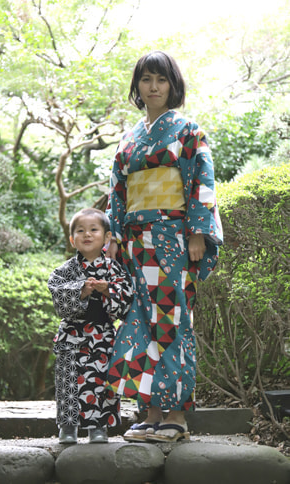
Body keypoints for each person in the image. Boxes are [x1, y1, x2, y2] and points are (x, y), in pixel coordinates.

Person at [105, 51, 223, 443]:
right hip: (137, 243)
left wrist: (197, 233)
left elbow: (202, 182)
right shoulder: (130, 136)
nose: (153, 87)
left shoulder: (188, 131)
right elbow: (117, 192)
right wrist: (114, 238)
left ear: (173, 85)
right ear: (137, 87)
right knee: (140, 322)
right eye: (146, 80)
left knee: (171, 322)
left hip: (172, 237)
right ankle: (151, 413)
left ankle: (177, 416)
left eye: (161, 80)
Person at [48, 207, 134, 444]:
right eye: (80, 230)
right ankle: (67, 427)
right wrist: (80, 290)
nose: (87, 235)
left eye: (93, 230)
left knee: (100, 380)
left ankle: (98, 427)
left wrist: (108, 289)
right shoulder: (65, 270)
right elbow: (56, 292)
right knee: (68, 381)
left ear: (107, 237)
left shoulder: (114, 268)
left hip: (102, 334)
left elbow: (126, 297)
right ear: (71, 238)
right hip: (70, 334)